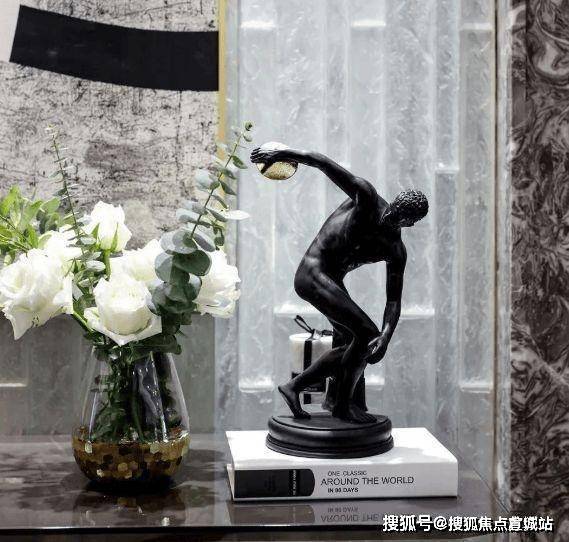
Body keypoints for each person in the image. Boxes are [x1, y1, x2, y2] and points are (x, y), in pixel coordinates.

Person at [251, 147, 428, 424]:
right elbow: (322, 162)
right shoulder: (366, 197)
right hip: (311, 272)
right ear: (393, 201)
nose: (390, 217)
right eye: (393, 209)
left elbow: (393, 300)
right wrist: (282, 152)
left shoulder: (394, 249)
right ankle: (342, 406)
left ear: (410, 223)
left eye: (399, 217)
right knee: (365, 335)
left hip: (330, 281)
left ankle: (301, 389)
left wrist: (386, 335)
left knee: (358, 342)